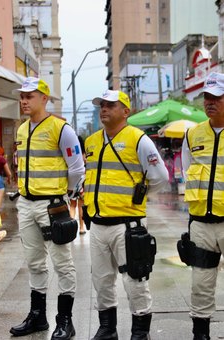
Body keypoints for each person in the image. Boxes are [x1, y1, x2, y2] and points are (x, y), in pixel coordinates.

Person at [84, 90, 169, 340]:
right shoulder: (91, 141)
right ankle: (107, 328)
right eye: (101, 105)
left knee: (135, 279)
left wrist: (138, 196)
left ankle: (140, 332)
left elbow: (160, 177)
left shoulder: (138, 139)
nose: (104, 109)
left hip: (127, 225)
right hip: (97, 224)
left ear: (126, 111)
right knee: (101, 280)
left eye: (111, 105)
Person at [9, 77, 85, 339]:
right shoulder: (21, 129)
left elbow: (76, 166)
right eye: (22, 96)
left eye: (29, 96)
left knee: (62, 263)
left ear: (44, 98)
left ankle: (65, 320)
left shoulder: (61, 129)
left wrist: (70, 194)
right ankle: (37, 316)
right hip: (26, 203)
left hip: (52, 206)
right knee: (34, 262)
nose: (24, 100)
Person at [181, 72, 224, 340]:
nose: (210, 102)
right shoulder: (192, 134)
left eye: (217, 97)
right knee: (201, 283)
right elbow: (187, 172)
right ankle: (201, 334)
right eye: (207, 97)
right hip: (201, 224)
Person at [69, 135, 86, 234]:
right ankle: (81, 227)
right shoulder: (83, 152)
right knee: (81, 205)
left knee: (72, 205)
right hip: (82, 179)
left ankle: (71, 228)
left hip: (72, 179)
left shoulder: (71, 150)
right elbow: (85, 162)